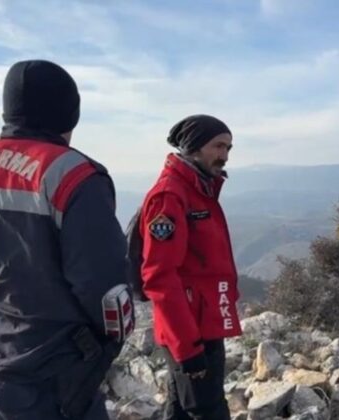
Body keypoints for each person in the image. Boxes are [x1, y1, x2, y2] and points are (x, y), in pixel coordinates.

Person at [0, 59, 133, 420]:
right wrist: (104, 345)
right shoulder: (74, 175)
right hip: (51, 382)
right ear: (71, 114)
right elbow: (107, 292)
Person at [139, 114, 241, 419]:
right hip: (191, 330)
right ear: (194, 147)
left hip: (205, 321)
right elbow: (159, 276)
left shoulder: (199, 189)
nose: (224, 156)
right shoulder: (171, 195)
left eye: (228, 148)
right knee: (208, 410)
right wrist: (187, 348)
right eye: (218, 146)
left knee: (182, 408)